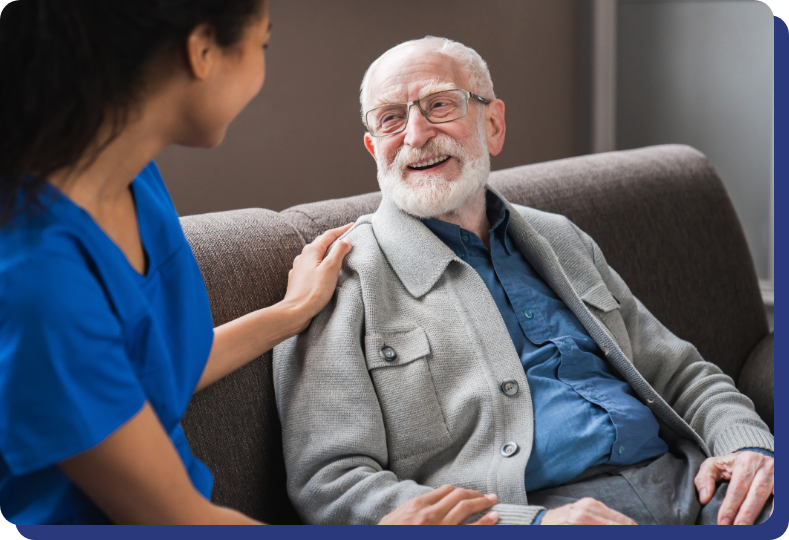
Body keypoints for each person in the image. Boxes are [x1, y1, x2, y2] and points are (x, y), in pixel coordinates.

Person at [0, 2, 499, 525]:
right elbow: (177, 518)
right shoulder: (33, 274)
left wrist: (291, 313)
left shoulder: (131, 177)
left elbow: (146, 367)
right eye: (261, 44)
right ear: (202, 52)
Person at [273, 36, 775, 526]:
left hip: (696, 487)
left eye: (440, 105)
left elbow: (679, 372)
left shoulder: (561, 238)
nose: (415, 134)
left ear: (492, 124)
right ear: (373, 147)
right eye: (391, 119)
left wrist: (747, 444)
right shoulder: (341, 279)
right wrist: (528, 523)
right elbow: (333, 484)